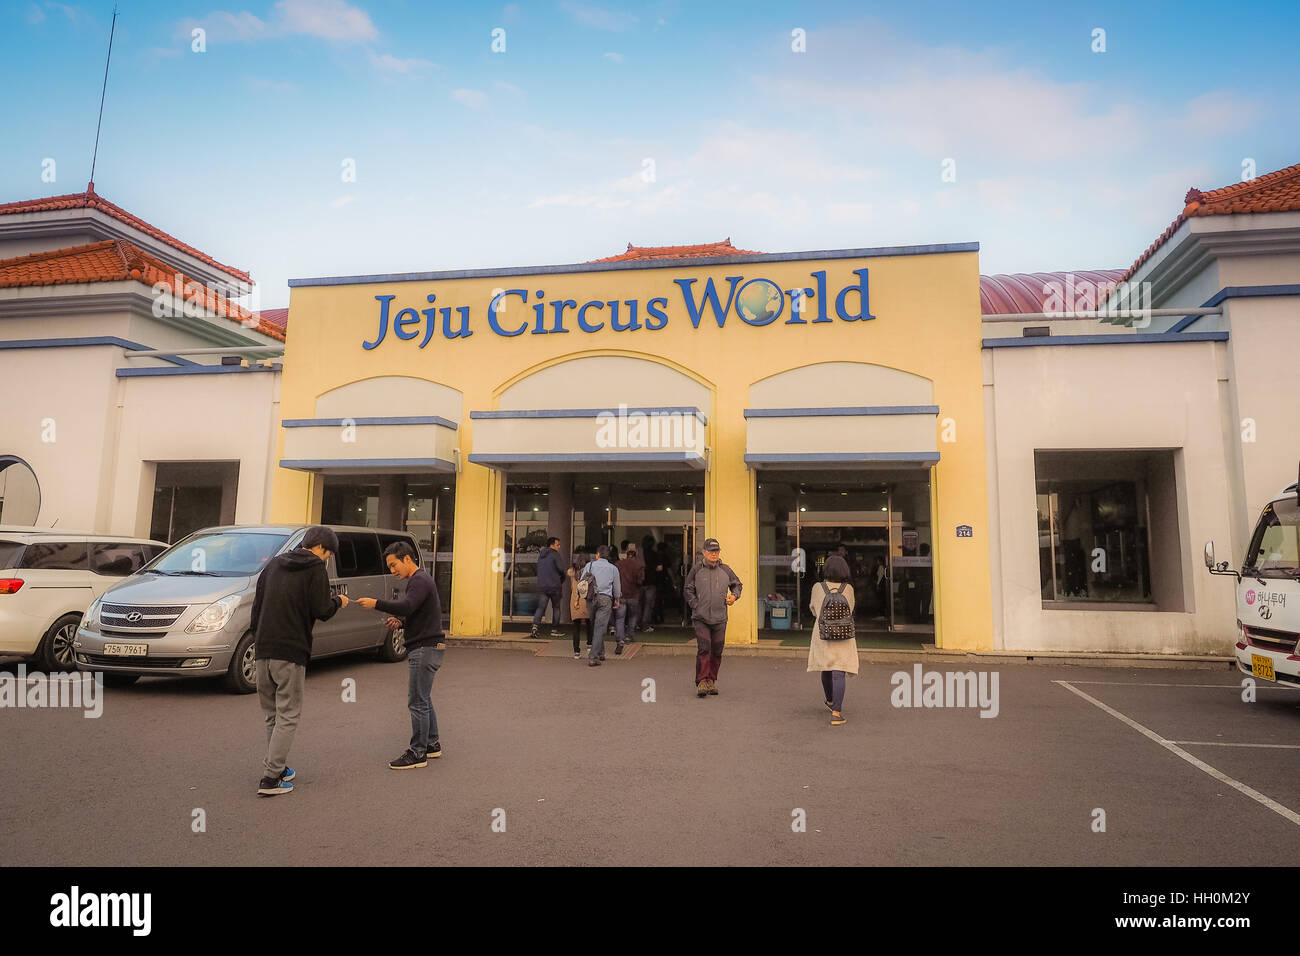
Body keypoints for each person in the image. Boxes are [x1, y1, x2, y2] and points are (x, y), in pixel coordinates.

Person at [250, 525, 348, 797]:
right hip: (291, 650)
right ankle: (270, 779)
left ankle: (277, 767)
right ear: (321, 548)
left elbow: (256, 608)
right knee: (289, 714)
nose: (326, 559)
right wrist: (339, 601)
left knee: (272, 714)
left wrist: (259, 641)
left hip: (263, 648)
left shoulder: (273, 565)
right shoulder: (314, 568)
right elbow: (322, 609)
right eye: (328, 554)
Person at [357, 541, 446, 770]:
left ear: (407, 559)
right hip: (430, 646)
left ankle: (418, 754)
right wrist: (402, 621)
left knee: (417, 701)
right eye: (389, 567)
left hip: (424, 648)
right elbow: (418, 611)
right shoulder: (420, 580)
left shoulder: (419, 580)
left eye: (394, 565)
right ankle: (431, 744)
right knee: (423, 698)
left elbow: (407, 605)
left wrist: (376, 603)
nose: (392, 571)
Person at [683, 537, 742, 698]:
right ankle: (701, 681)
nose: (714, 554)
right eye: (711, 551)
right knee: (704, 648)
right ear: (704, 552)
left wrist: (734, 596)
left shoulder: (725, 569)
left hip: (720, 618)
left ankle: (711, 680)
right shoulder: (696, 569)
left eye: (716, 551)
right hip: (700, 617)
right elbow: (687, 590)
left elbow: (737, 584)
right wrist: (696, 605)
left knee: (717, 649)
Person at [808, 554, 858, 726]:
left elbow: (814, 610)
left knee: (826, 666)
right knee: (839, 670)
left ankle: (829, 700)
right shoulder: (848, 589)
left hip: (823, 633)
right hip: (844, 634)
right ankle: (837, 712)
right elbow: (850, 609)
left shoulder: (817, 587)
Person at [580, 544, 620, 666]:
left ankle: (601, 653)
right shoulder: (613, 568)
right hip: (605, 598)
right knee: (600, 627)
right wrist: (617, 599)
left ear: (597, 554)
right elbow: (616, 587)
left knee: (596, 626)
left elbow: (582, 582)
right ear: (608, 556)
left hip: (590, 598)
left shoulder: (589, 565)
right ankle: (593, 656)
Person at [530, 536, 566, 639]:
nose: (559, 547)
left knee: (541, 607)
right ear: (552, 545)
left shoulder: (541, 555)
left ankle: (535, 627)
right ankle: (554, 630)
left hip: (543, 586)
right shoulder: (555, 555)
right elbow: (561, 569)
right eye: (557, 544)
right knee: (556, 608)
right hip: (554, 586)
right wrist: (561, 579)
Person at [614, 542, 644, 652]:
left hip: (621, 594)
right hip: (633, 594)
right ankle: (629, 636)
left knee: (620, 618)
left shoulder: (619, 564)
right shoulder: (639, 565)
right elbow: (640, 581)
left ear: (626, 553)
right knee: (632, 617)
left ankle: (620, 639)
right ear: (635, 553)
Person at [567, 557, 591, 659]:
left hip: (575, 601)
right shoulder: (588, 574)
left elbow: (568, 573)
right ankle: (590, 645)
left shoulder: (572, 573)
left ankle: (576, 652)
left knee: (576, 627)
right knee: (589, 624)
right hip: (585, 600)